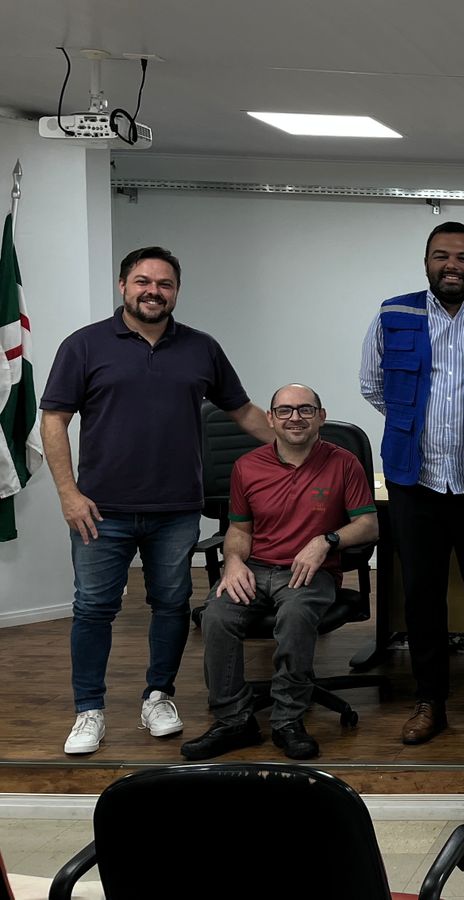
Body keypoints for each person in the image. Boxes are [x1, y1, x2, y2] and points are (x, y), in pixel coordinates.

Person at [40, 246, 274, 756]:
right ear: (123, 286)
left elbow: (243, 411)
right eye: (143, 281)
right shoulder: (84, 345)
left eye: (164, 284)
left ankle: (158, 696)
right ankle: (89, 710)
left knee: (170, 604)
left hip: (176, 508)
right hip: (100, 510)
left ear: (176, 292)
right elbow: (54, 419)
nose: (153, 291)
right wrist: (68, 493)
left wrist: (299, 446)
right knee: (93, 608)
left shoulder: (201, 348)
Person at [359, 221, 464, 747]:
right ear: (426, 263)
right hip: (415, 482)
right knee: (422, 595)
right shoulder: (393, 314)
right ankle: (428, 700)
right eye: (441, 256)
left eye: (463, 257)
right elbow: (372, 384)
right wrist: (415, 425)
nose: (452, 265)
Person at [180, 384, 379, 762]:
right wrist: (233, 562)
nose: (295, 418)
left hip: (309, 572)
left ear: (321, 417)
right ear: (270, 419)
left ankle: (288, 721)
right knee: (216, 615)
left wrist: (327, 540)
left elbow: (368, 525)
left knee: (295, 616)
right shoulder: (247, 466)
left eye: (305, 410)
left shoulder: (343, 463)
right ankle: (233, 721)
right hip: (254, 568)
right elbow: (239, 530)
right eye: (285, 411)